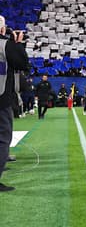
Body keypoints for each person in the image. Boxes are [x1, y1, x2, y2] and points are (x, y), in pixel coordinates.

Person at [0, 15, 31, 192]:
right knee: (3, 138)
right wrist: (18, 44)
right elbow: (22, 63)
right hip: (2, 97)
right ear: (2, 29)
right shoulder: (5, 44)